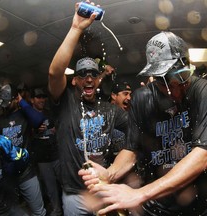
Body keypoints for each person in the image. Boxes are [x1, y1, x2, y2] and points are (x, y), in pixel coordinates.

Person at [79, 31, 207, 216]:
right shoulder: (142, 98)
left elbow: (202, 155)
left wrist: (140, 194)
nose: (174, 89)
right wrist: (110, 173)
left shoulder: (202, 91)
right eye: (164, 81)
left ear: (187, 66)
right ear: (153, 76)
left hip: (197, 205)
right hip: (156, 206)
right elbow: (132, 149)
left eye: (180, 76)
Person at [48, 1, 128, 215]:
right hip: (76, 193)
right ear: (75, 81)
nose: (88, 79)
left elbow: (137, 126)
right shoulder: (66, 104)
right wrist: (76, 29)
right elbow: (55, 74)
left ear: (98, 80)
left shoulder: (109, 110)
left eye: (93, 74)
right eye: (82, 75)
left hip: (103, 188)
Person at [0, 83, 47, 216]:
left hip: (26, 172)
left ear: (16, 99)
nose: (4, 107)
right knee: (12, 211)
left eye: (8, 103)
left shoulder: (25, 113)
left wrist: (22, 101)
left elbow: (39, 119)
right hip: (8, 174)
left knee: (38, 212)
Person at [28, 88, 63, 216]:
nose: (42, 100)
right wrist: (34, 130)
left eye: (43, 97)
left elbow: (58, 128)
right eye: (38, 97)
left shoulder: (49, 113)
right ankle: (57, 210)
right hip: (42, 159)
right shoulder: (28, 116)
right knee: (50, 188)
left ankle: (69, 207)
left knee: (64, 183)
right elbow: (25, 136)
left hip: (56, 155)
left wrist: (56, 129)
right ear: (32, 100)